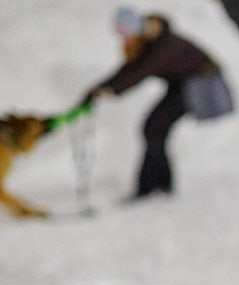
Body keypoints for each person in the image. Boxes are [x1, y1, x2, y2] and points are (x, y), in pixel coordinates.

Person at [85, 9, 228, 200]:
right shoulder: (151, 41)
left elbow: (141, 71)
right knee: (154, 129)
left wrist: (110, 90)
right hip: (181, 85)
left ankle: (150, 188)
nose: (125, 41)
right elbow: (130, 68)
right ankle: (160, 185)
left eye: (128, 35)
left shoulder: (162, 44)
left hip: (197, 85)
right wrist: (100, 88)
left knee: (154, 128)